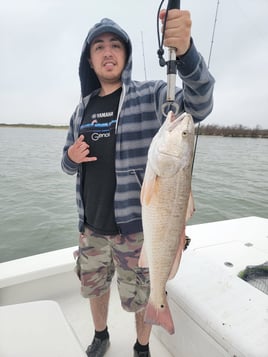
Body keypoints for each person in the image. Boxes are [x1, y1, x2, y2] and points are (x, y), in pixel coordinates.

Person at [61, 8, 214, 357]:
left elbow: (200, 104)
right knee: (94, 288)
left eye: (115, 45)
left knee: (144, 294)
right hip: (91, 228)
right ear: (90, 58)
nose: (108, 52)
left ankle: (142, 345)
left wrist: (186, 52)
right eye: (99, 47)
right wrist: (71, 156)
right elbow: (65, 165)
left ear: (126, 55)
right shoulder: (81, 110)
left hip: (135, 229)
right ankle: (101, 334)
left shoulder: (152, 96)